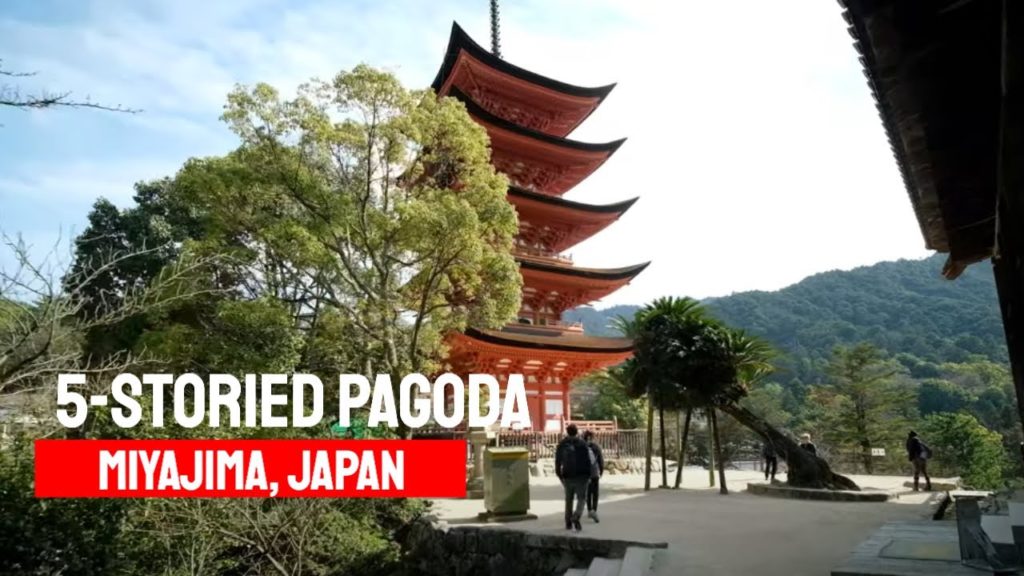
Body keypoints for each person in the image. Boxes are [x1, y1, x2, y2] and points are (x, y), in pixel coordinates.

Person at [555, 424, 592, 532]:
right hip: (582, 476)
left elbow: (558, 461)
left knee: (569, 499)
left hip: (567, 475)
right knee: (582, 498)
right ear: (576, 432)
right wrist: (588, 475)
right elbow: (587, 460)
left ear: (567, 432)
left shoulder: (562, 444)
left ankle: (568, 522)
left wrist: (559, 474)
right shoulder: (582, 443)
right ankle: (576, 516)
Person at [582, 430, 604, 522]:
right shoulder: (596, 447)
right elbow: (601, 460)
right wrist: (601, 471)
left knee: (587, 492)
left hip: (585, 473)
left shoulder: (581, 447)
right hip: (594, 472)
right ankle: (594, 510)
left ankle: (589, 509)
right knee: (595, 493)